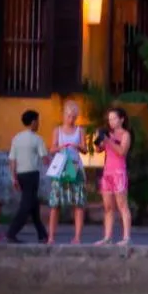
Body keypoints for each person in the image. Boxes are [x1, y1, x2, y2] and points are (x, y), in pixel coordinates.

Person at [44, 100, 90, 245]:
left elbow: (85, 149)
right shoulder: (57, 130)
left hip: (75, 167)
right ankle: (51, 237)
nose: (71, 119)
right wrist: (60, 147)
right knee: (55, 203)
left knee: (78, 203)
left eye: (73, 116)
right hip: (61, 168)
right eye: (68, 116)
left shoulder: (80, 130)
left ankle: (77, 237)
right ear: (64, 115)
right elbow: (51, 149)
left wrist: (77, 146)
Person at [5, 109, 49, 243]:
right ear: (33, 122)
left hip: (20, 175)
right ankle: (11, 232)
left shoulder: (16, 138)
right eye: (38, 121)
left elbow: (12, 159)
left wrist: (13, 178)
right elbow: (45, 159)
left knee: (33, 204)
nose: (39, 124)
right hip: (32, 175)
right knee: (26, 205)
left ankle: (42, 235)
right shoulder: (38, 139)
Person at [93, 107, 134, 245]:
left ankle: (127, 238)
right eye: (109, 119)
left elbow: (122, 152)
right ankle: (107, 237)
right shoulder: (108, 133)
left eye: (114, 118)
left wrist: (109, 140)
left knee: (122, 205)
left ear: (121, 119)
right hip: (107, 172)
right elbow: (99, 150)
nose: (111, 121)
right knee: (108, 207)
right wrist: (98, 140)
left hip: (118, 172)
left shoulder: (125, 135)